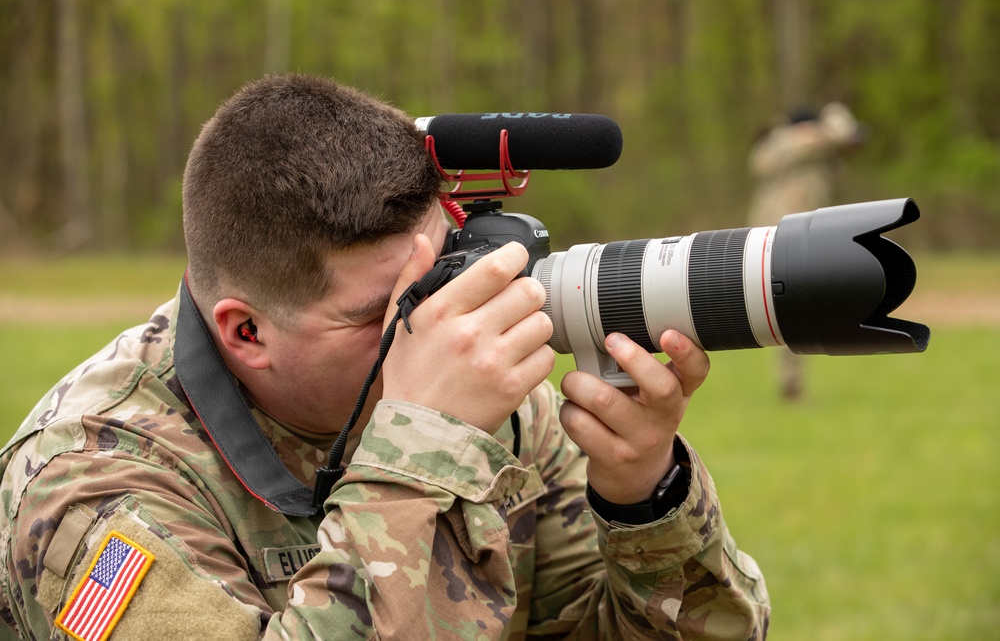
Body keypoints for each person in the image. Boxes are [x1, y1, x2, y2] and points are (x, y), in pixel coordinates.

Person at [0, 74, 769, 639]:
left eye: (443, 275)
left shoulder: (495, 408)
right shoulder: (87, 485)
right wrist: (419, 450)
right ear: (246, 333)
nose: (442, 326)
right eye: (385, 311)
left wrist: (643, 497)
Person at [747, 101, 864, 400]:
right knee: (788, 307)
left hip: (807, 236)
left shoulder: (821, 151)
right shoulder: (787, 141)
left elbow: (852, 142)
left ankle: (792, 380)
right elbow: (761, 161)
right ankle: (791, 381)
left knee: (799, 307)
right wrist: (824, 130)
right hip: (773, 236)